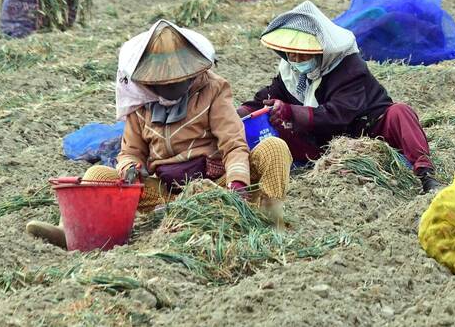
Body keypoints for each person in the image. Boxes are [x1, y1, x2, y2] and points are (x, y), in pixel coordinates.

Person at [26, 20, 292, 248]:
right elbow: (130, 151)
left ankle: (268, 220)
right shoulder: (140, 103)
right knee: (96, 175)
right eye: (161, 82)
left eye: (177, 80)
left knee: (274, 149)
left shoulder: (213, 90)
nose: (170, 86)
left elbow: (234, 144)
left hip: (215, 186)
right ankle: (73, 233)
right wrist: (131, 167)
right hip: (163, 193)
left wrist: (237, 185)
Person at [237, 1, 441, 194]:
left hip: (368, 127)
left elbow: (337, 114)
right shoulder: (292, 72)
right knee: (275, 125)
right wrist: (238, 114)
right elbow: (266, 98)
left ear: (320, 52)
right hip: (324, 142)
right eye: (292, 54)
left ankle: (425, 174)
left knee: (400, 112)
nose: (297, 60)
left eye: (303, 54)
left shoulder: (349, 68)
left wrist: (290, 111)